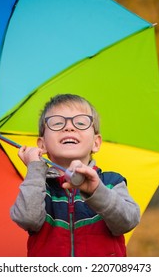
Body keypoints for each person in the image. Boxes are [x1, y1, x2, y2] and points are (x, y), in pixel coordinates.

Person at [10, 94, 140, 257]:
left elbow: (127, 221)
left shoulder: (111, 183)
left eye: (80, 122)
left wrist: (96, 191)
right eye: (57, 123)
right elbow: (27, 219)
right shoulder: (38, 187)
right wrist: (35, 168)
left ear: (96, 143)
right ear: (42, 145)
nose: (69, 127)